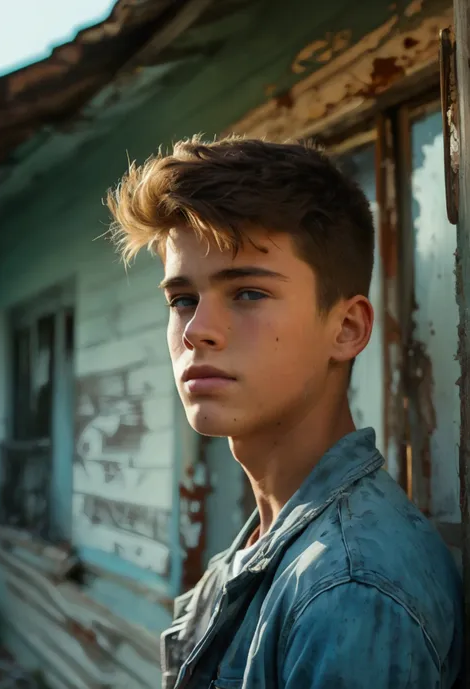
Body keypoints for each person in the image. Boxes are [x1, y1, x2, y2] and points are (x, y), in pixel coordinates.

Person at [107, 136, 462, 689]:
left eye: (247, 292)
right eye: (182, 300)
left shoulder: (350, 589)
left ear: (346, 329)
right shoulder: (271, 539)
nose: (198, 330)